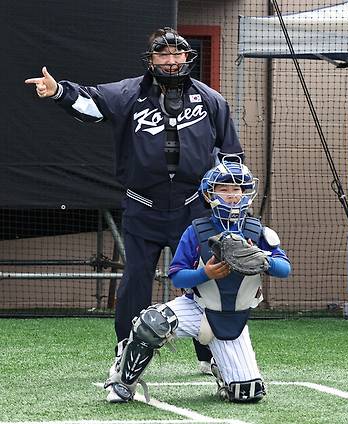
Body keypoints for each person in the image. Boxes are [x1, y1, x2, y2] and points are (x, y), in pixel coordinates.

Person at [24, 27, 243, 374]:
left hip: (194, 208)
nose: (171, 62)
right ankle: (126, 352)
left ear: (187, 57)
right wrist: (57, 92)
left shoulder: (212, 101)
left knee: (207, 279)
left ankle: (211, 354)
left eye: (177, 54)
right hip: (143, 207)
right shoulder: (128, 94)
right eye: (163, 54)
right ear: (152, 58)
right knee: (135, 283)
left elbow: (232, 158)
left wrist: (230, 205)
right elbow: (90, 103)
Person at [104, 159, 291, 403]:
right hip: (197, 307)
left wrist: (263, 260)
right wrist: (206, 274)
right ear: (209, 194)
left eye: (238, 189)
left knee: (247, 394)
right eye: (224, 189)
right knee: (152, 323)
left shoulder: (259, 233)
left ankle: (221, 368)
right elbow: (177, 273)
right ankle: (122, 384)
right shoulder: (197, 230)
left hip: (232, 315)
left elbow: (285, 269)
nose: (232, 196)